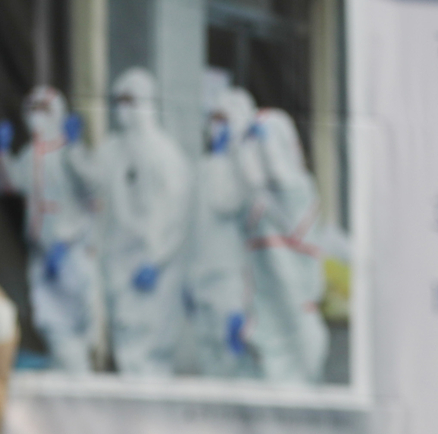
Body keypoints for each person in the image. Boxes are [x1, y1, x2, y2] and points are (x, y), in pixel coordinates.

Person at [0, 86, 102, 373]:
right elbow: (9, 183)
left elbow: (91, 190)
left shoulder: (68, 153)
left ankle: (79, 379)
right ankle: (66, 375)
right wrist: (2, 152)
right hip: (42, 250)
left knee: (76, 321)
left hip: (71, 250)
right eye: (33, 110)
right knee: (49, 319)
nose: (37, 117)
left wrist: (76, 148)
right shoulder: (32, 154)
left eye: (45, 110)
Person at [97, 68, 194, 377]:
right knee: (125, 348)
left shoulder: (166, 155)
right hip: (117, 265)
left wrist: (156, 259)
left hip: (154, 269)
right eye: (119, 100)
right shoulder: (111, 150)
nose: (124, 109)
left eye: (131, 100)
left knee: (150, 353)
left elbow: (179, 216)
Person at [239, 108, 329, 385]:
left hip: (296, 325)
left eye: (265, 142)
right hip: (265, 324)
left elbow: (282, 180)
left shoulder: (300, 189)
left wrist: (264, 139)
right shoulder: (255, 199)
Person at [187, 83, 259, 378]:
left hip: (232, 282)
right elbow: (194, 226)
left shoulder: (249, 169)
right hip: (202, 278)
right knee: (209, 360)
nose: (217, 127)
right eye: (213, 119)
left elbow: (225, 202)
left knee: (235, 366)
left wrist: (228, 155)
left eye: (224, 120)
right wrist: (187, 279)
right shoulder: (205, 166)